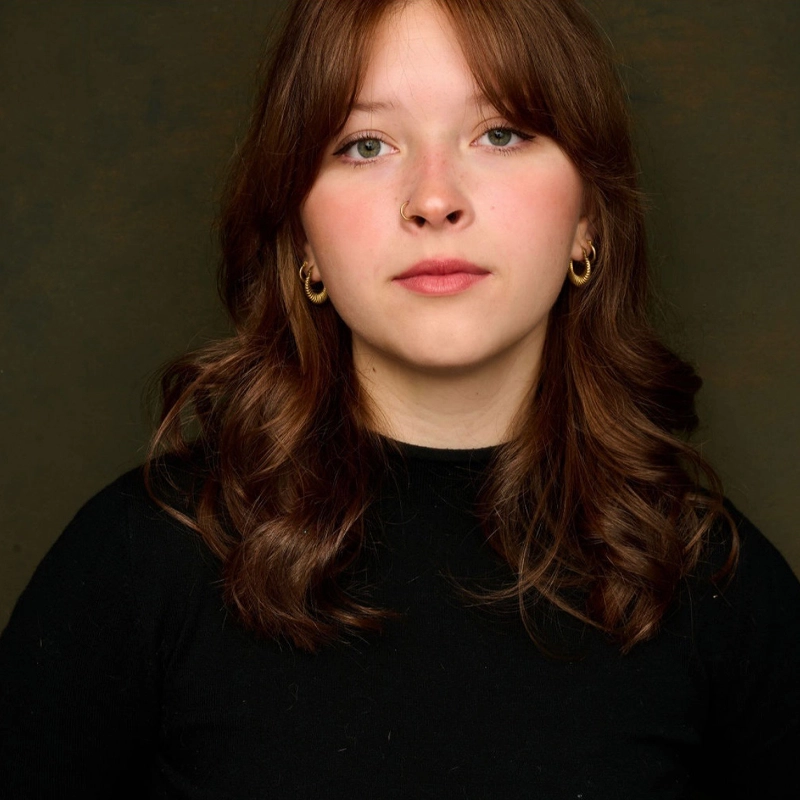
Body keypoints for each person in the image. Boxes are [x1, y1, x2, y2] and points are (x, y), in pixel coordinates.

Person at [1, 0, 798, 797]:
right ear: (304, 236)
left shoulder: (713, 582)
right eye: (366, 145)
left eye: (501, 132)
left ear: (588, 217)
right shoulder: (140, 561)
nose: (435, 199)